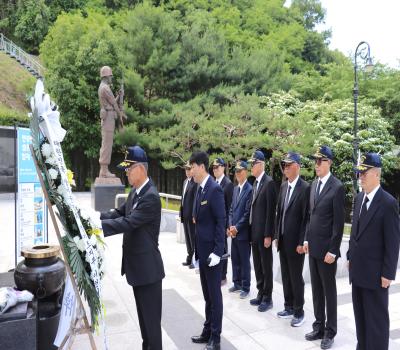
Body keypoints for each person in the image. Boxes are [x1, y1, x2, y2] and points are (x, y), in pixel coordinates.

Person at [100, 145, 165, 350]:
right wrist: (94, 219)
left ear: (141, 169)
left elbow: (129, 223)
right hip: (139, 269)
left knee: (151, 326)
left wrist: (97, 228)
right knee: (145, 324)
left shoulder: (150, 197)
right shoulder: (137, 192)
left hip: (148, 271)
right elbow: (120, 213)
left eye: (129, 168)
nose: (126, 172)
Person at [348, 153, 400, 350]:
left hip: (377, 276)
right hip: (358, 272)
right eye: (359, 173)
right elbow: (355, 231)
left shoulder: (388, 203)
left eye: (364, 172)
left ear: (376, 174)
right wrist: (350, 255)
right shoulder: (360, 197)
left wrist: (388, 273)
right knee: (360, 319)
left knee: (376, 321)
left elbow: (393, 242)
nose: (360, 176)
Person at [303, 146, 345, 350]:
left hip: (327, 252)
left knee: (329, 292)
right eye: (315, 161)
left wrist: (334, 250)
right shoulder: (313, 185)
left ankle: (330, 331)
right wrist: (306, 239)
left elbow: (338, 223)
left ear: (329, 162)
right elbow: (311, 216)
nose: (316, 165)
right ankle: (318, 326)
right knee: (317, 292)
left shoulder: (337, 187)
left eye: (320, 161)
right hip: (313, 248)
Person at [190, 151, 225, 350]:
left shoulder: (214, 189)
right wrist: (196, 254)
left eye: (193, 166)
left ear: (201, 167)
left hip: (212, 254)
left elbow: (221, 221)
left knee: (215, 296)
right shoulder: (199, 188)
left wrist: (218, 252)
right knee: (207, 296)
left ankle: (216, 337)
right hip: (202, 253)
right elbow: (198, 223)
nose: (191, 171)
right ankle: (207, 330)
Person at [274, 152, 309, 327]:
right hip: (282, 240)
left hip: (296, 243)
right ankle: (288, 306)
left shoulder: (305, 188)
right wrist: (276, 235)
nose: (285, 168)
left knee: (296, 277)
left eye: (289, 165)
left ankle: (299, 310)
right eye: (284, 165)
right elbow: (279, 213)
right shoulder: (283, 187)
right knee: (286, 276)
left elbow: (306, 218)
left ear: (297, 166)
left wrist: (302, 241)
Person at [248, 150, 277, 312]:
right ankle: (260, 293)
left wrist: (268, 235)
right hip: (254, 232)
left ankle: (268, 297)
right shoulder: (255, 183)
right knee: (257, 265)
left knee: (266, 266)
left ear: (261, 164)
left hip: (263, 234)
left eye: (253, 164)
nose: (251, 167)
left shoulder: (269, 183)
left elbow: (270, 212)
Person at [227, 160, 252, 299]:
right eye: (236, 171)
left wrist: (237, 227)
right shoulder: (236, 189)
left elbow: (247, 213)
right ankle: (236, 283)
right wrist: (231, 226)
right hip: (234, 232)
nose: (237, 174)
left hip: (243, 233)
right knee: (235, 259)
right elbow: (231, 209)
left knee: (244, 261)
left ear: (246, 172)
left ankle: (246, 286)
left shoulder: (250, 189)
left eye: (240, 171)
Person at [98, 66, 126, 178]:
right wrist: (120, 115)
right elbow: (114, 104)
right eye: (110, 76)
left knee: (107, 143)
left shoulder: (104, 87)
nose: (111, 78)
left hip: (108, 116)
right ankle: (104, 170)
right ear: (106, 76)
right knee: (107, 144)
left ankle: (104, 170)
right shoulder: (105, 88)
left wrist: (119, 95)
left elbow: (112, 101)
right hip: (108, 117)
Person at [212, 157, 234, 285]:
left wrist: (227, 226)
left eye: (217, 167)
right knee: (215, 248)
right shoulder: (213, 182)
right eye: (213, 167)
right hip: (213, 224)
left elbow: (229, 206)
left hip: (223, 224)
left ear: (223, 168)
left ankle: (223, 276)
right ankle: (215, 273)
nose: (215, 169)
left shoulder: (228, 184)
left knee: (223, 249)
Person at [180, 161, 197, 268]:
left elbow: (195, 200)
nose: (187, 171)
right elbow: (182, 199)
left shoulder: (195, 183)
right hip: (184, 215)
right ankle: (189, 258)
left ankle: (194, 260)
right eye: (186, 169)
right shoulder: (185, 181)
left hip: (191, 216)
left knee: (193, 239)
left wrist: (194, 214)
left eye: (189, 169)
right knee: (187, 238)